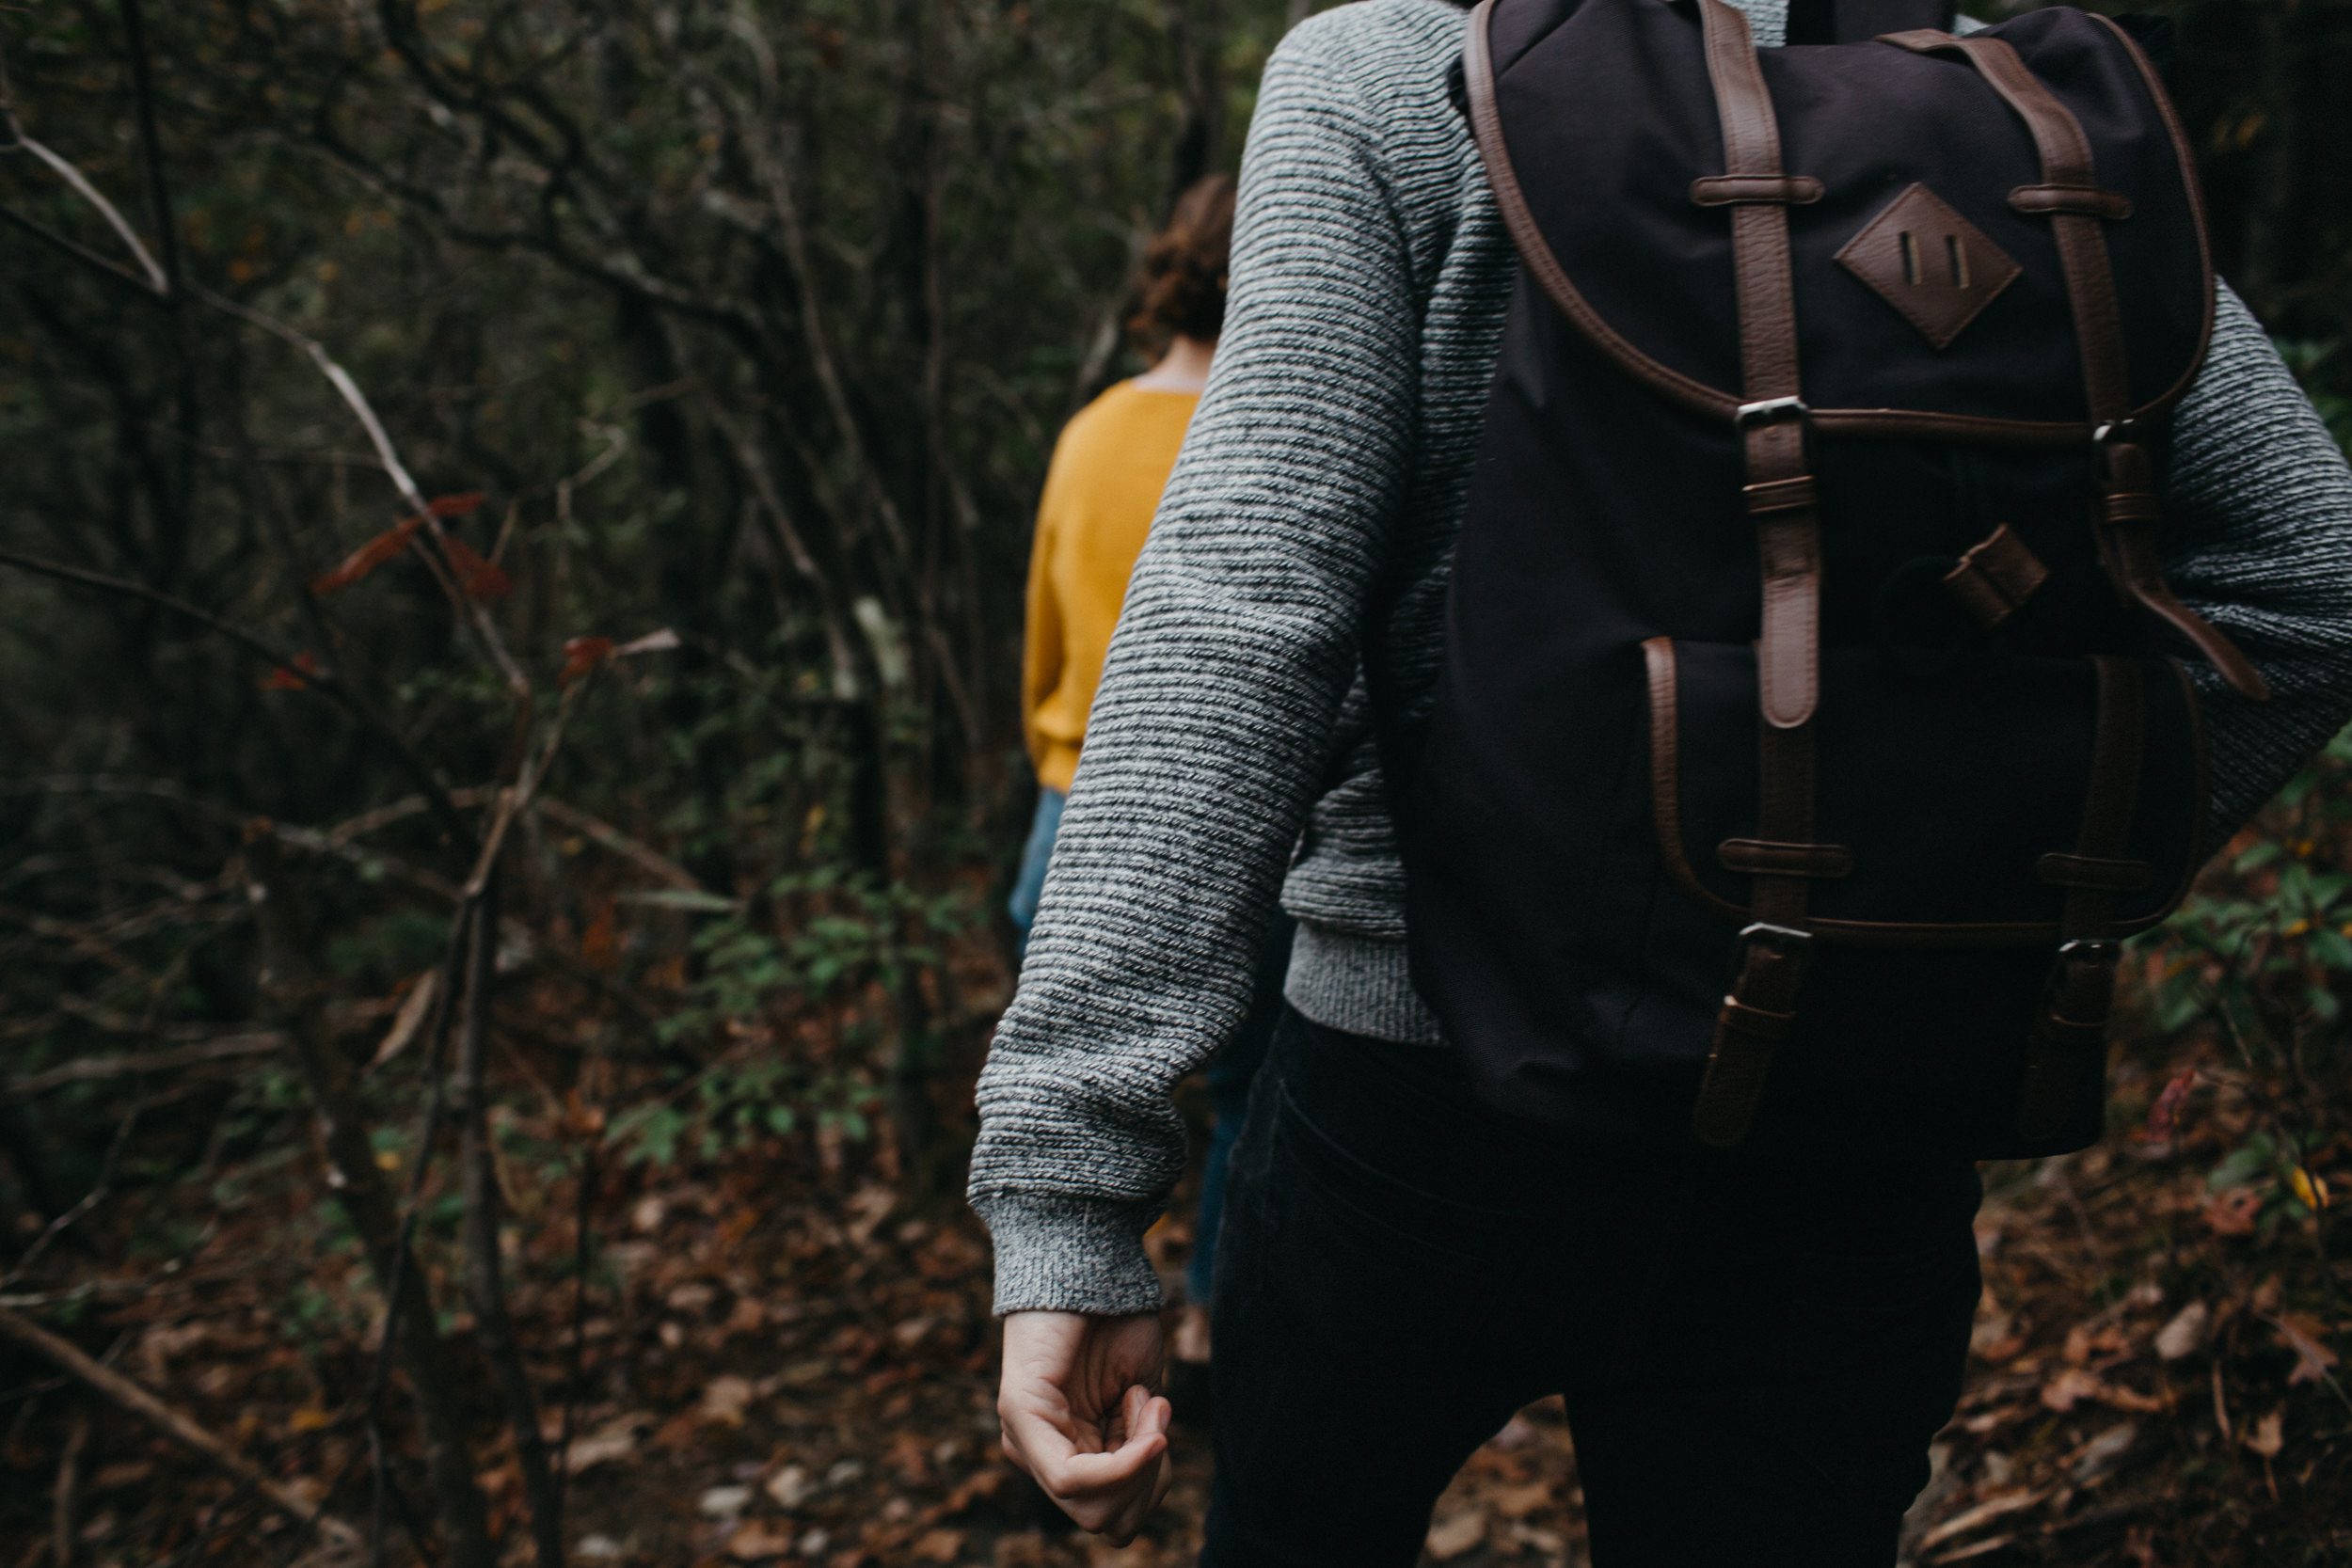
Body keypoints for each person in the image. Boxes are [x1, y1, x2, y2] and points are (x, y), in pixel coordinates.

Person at [973, 0, 2352, 1562]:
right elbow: (2317, 581)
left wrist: (1071, 1190)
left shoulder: (1394, 68)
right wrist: (1970, 864)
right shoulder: (2006, 111)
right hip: (1856, 1105)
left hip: (1418, 1083)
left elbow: (1245, 597)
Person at [1006, 171, 1291, 1408]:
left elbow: (1044, 657)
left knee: (1064, 1103)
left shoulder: (1089, 434)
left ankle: (1049, 1341)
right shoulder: (1282, 434)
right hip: (1246, 830)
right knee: (1244, 1096)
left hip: (1068, 825)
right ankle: (1211, 1327)